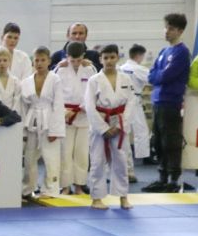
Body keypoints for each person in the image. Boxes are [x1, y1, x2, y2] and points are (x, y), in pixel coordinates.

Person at [142, 13, 190, 193]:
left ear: (180, 31)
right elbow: (152, 75)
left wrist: (158, 77)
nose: (166, 31)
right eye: (166, 27)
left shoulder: (181, 52)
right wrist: (158, 77)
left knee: (171, 142)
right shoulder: (164, 51)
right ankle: (162, 178)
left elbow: (165, 76)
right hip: (158, 100)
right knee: (158, 142)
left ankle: (173, 180)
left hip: (171, 102)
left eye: (171, 28)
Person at [86, 45, 134, 210]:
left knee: (121, 160)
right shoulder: (94, 80)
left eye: (112, 57)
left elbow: (131, 103)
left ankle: (123, 196)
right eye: (105, 58)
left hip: (119, 121)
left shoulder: (126, 79)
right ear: (100, 60)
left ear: (117, 58)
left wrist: (121, 125)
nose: (109, 61)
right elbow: (89, 106)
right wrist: (103, 128)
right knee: (97, 160)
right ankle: (97, 198)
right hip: (100, 121)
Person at [20, 46, 65, 200]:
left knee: (51, 157)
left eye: (43, 60)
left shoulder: (55, 79)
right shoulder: (26, 82)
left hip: (49, 120)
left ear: (49, 61)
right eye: (36, 60)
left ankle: (50, 189)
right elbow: (24, 107)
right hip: (32, 121)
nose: (39, 63)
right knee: (29, 158)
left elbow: (58, 105)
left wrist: (55, 130)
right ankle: (28, 189)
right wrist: (23, 130)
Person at [55, 42, 95, 195]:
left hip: (84, 115)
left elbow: (93, 92)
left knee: (82, 153)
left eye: (79, 60)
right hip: (65, 115)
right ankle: (65, 186)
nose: (76, 63)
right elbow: (55, 92)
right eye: (72, 60)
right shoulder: (60, 70)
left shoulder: (90, 69)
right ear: (67, 57)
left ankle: (79, 185)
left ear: (83, 56)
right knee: (65, 152)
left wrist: (82, 108)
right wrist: (65, 111)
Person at [120, 44, 152, 175]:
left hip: (121, 102)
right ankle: (143, 156)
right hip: (134, 100)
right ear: (139, 55)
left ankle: (126, 158)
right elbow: (152, 79)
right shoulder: (139, 69)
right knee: (141, 130)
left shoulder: (121, 68)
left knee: (124, 131)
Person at [0, 47, 22, 114]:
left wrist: (12, 115)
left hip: (11, 114)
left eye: (5, 60)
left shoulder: (15, 81)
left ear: (9, 62)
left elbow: (17, 101)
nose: (2, 63)